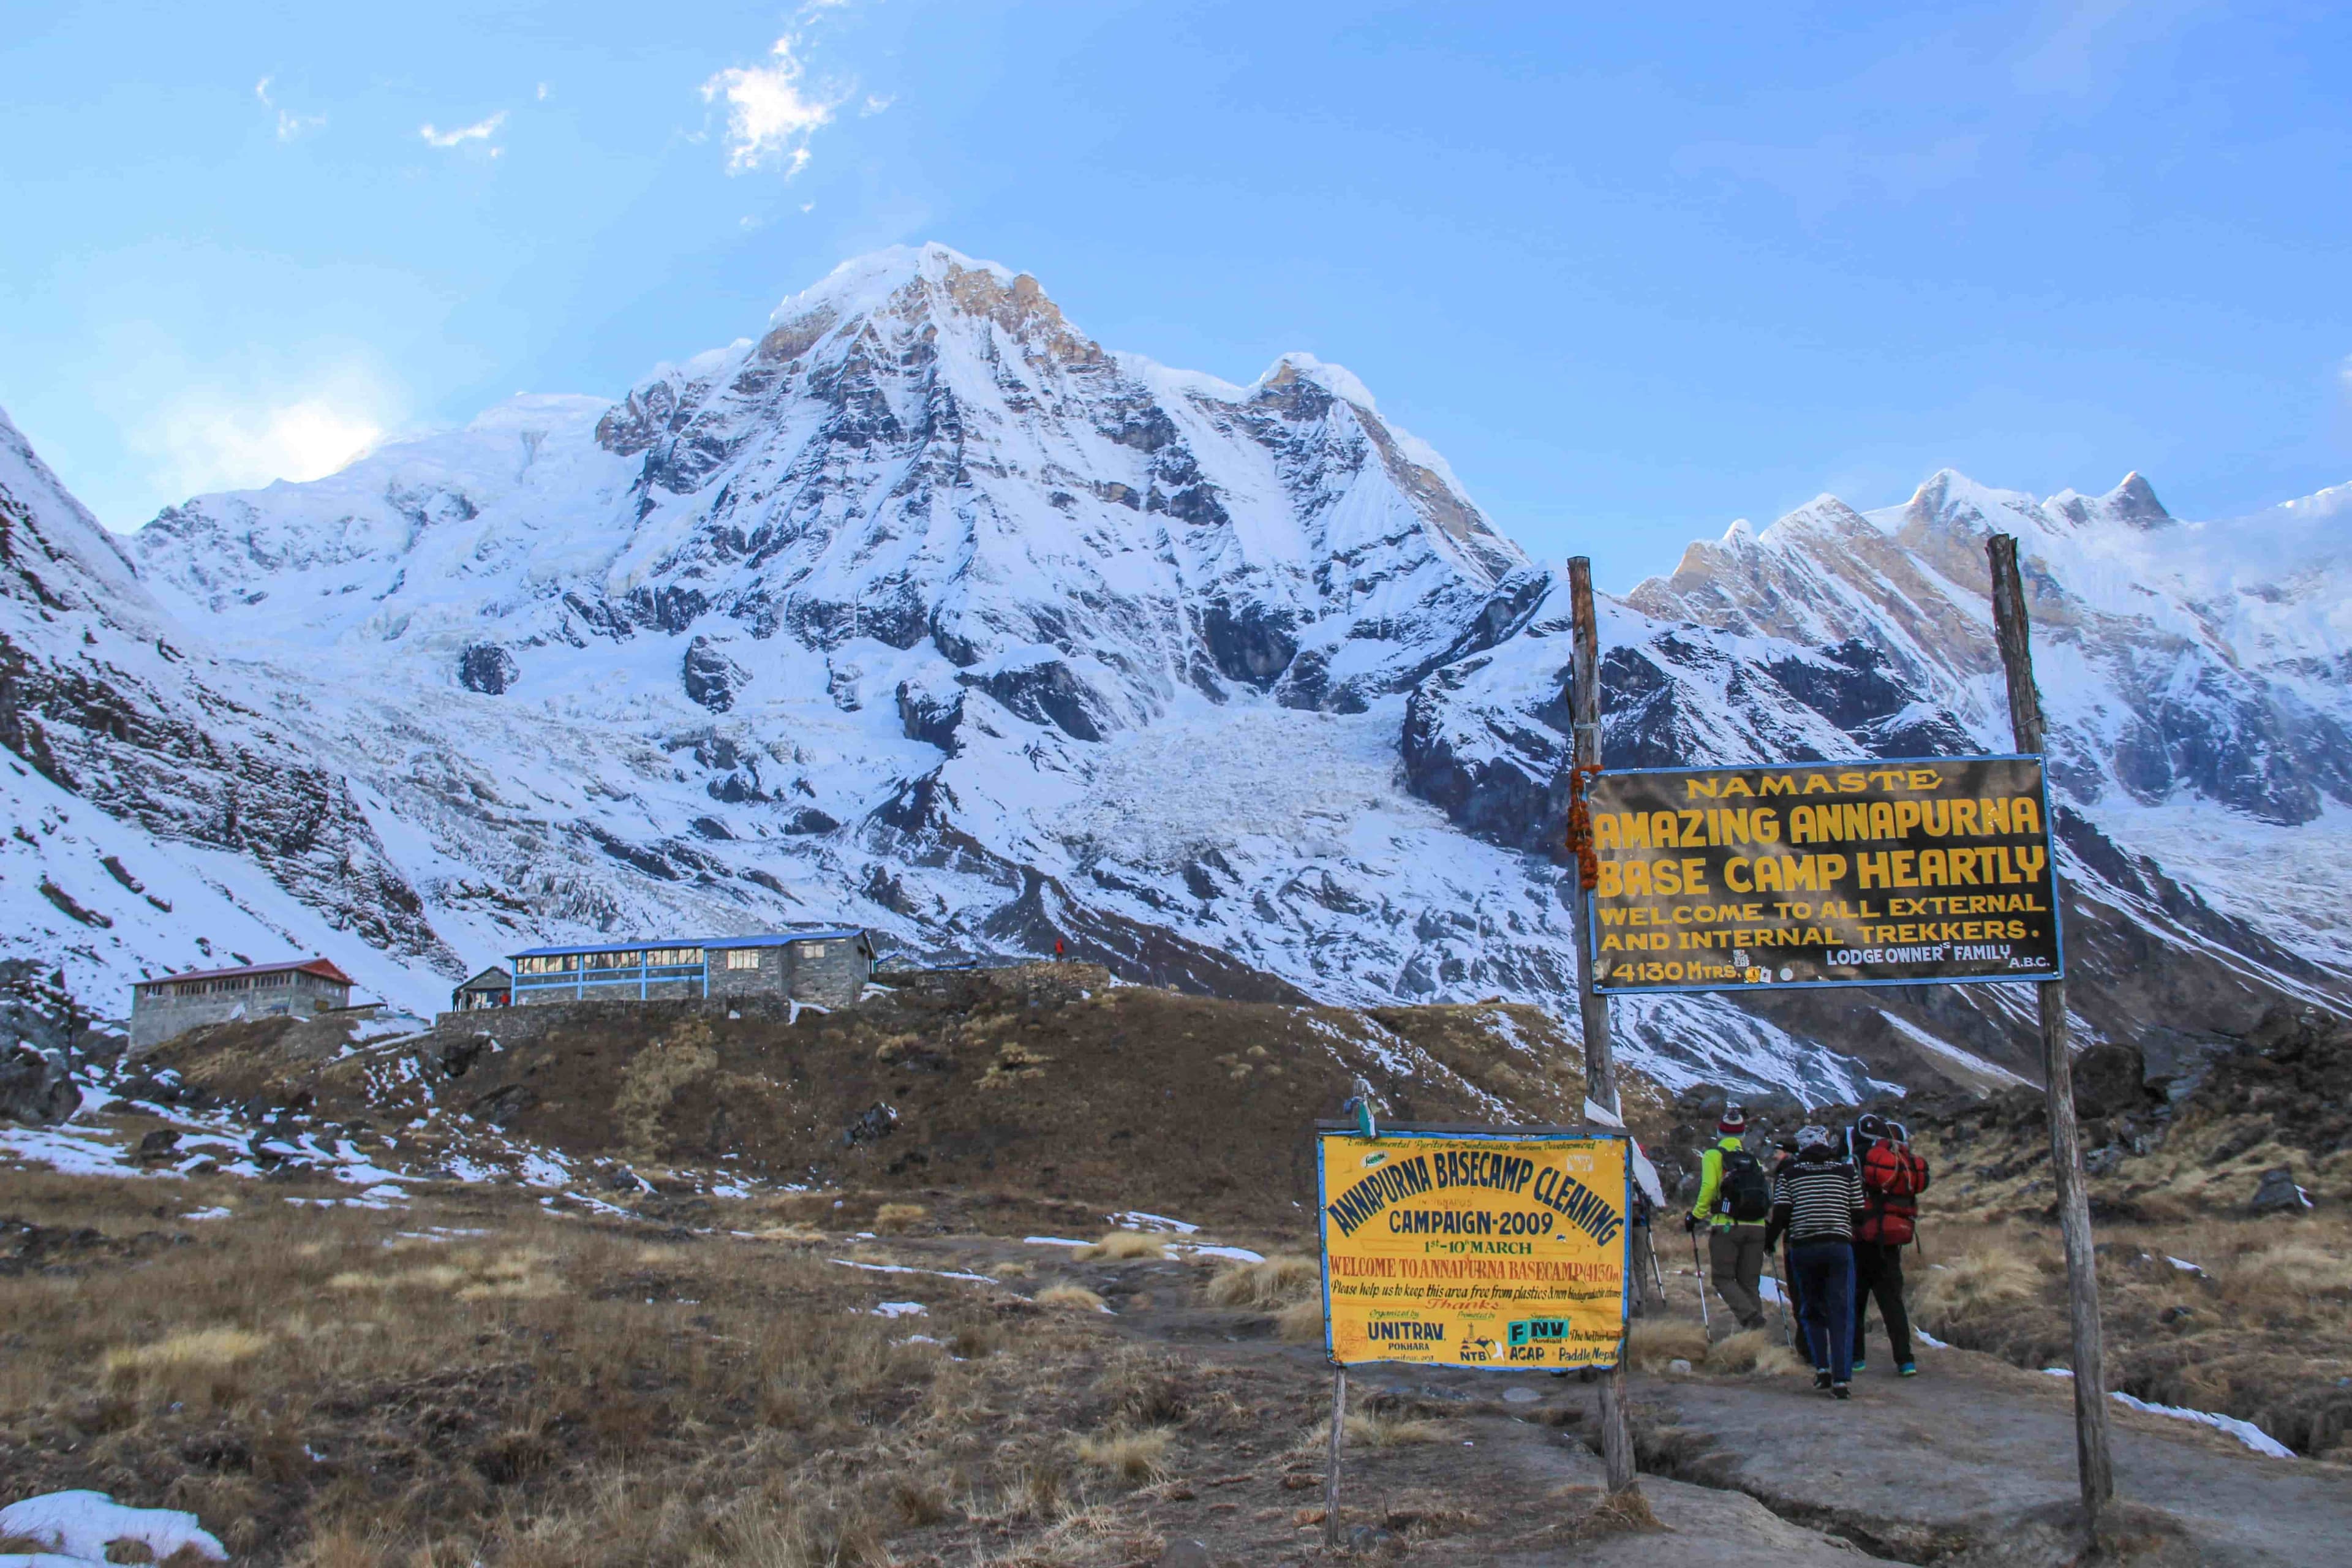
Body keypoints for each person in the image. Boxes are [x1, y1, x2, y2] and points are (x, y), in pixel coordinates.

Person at [1764, 1123, 1864, 1398]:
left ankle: (1822, 1368)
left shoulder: (1790, 1174)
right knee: (1841, 1311)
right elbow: (1858, 1212)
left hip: (1804, 1248)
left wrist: (1768, 1240)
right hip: (1838, 1246)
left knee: (1811, 1308)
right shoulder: (1846, 1171)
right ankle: (1842, 1380)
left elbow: (1782, 1214)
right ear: (1826, 1143)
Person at [1852, 1115, 1931, 1378]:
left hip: (1863, 1240)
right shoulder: (1904, 1167)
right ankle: (1905, 1360)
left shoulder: (1865, 1160)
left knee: (1856, 1302)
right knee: (1893, 1304)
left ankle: (1856, 1359)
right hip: (1893, 1244)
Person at [1684, 1104, 1774, 1331]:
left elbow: (1708, 1187)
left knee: (1723, 1279)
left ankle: (1751, 1319)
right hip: (1757, 1227)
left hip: (1726, 1226)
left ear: (1719, 1133)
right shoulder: (1753, 1160)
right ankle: (1754, 1340)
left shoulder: (1714, 1155)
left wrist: (1696, 1216)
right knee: (1750, 1284)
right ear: (1742, 1134)